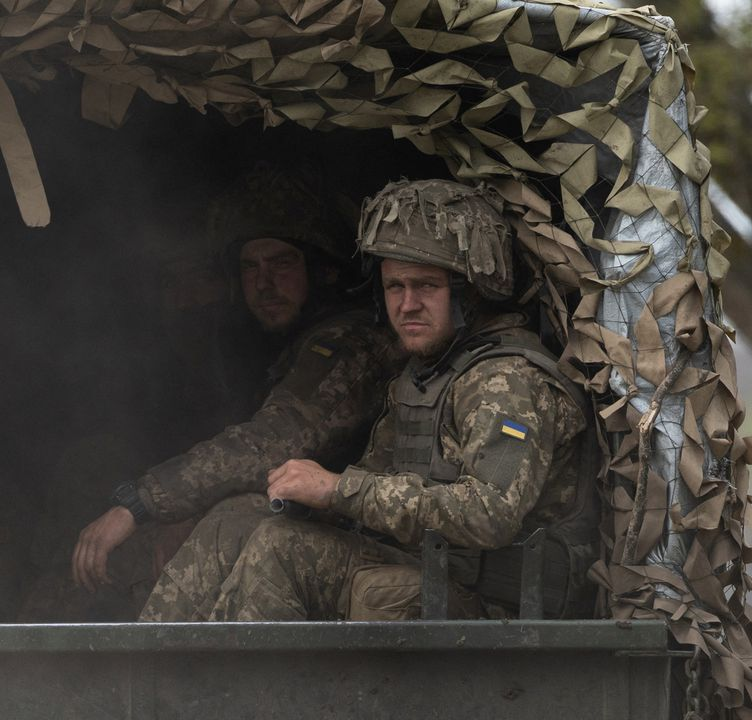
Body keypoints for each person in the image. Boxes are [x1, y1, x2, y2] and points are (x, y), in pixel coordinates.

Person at [140, 178, 599, 622]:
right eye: (395, 287)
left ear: (471, 293)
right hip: (434, 574)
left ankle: (240, 699)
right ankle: (147, 686)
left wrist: (337, 489)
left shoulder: (506, 379)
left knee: (282, 549)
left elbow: (489, 513)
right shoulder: (425, 375)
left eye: (427, 287)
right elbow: (378, 490)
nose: (407, 305)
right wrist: (317, 502)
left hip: (503, 607)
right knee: (236, 519)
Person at [18, 164, 400, 621]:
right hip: (290, 525)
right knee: (79, 573)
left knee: (133, 556)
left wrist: (141, 503)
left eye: (282, 263)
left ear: (324, 273)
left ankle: (156, 686)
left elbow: (273, 442)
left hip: (340, 538)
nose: (263, 283)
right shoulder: (277, 346)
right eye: (250, 268)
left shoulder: (348, 343)